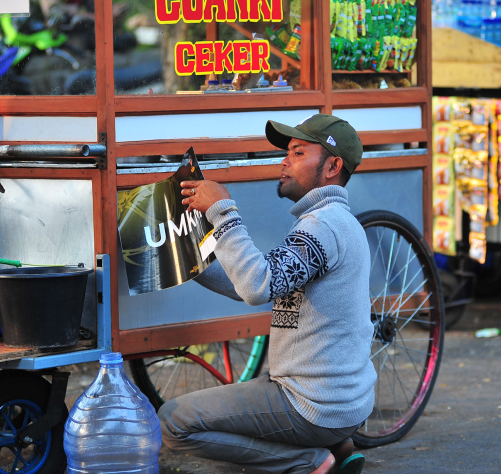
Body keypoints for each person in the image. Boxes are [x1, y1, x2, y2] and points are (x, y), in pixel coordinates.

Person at [159, 115, 376, 474]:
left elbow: (257, 286)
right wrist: (182, 259)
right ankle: (336, 443)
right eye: (287, 152)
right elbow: (252, 283)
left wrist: (222, 210)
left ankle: (309, 462)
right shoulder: (327, 221)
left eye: (298, 152)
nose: (284, 161)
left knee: (173, 422)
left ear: (333, 166)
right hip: (339, 403)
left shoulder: (324, 226)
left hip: (313, 403)